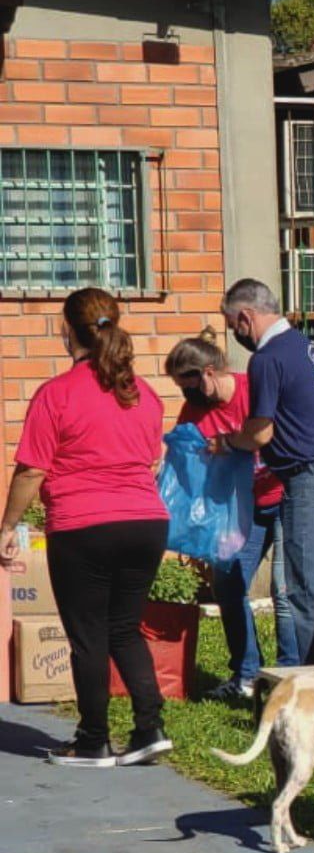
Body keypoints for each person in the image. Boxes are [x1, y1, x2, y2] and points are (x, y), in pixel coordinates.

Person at [0, 289, 173, 768]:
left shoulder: (56, 394)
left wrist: (8, 526)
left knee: (89, 635)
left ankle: (93, 739)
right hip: (146, 522)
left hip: (84, 526)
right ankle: (149, 728)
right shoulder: (143, 393)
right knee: (125, 628)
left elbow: (31, 471)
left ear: (66, 331)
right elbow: (150, 457)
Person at [214, 279, 314, 666]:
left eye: (233, 326)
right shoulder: (302, 344)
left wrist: (226, 443)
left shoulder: (267, 357)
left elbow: (260, 433)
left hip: (311, 483)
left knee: (305, 593)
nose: (235, 334)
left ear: (246, 317)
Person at [166, 336, 295, 700]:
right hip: (241, 508)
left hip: (283, 495)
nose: (186, 394)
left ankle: (290, 674)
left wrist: (229, 444)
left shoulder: (253, 391)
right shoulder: (194, 412)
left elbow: (274, 433)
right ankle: (247, 675)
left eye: (188, 384)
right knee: (227, 582)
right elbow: (190, 464)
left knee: (284, 589)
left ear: (208, 373)